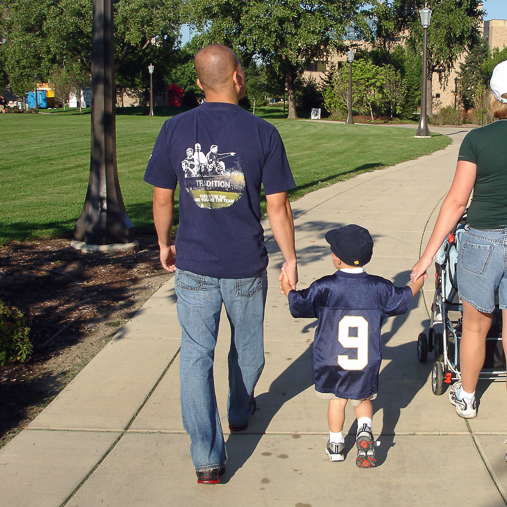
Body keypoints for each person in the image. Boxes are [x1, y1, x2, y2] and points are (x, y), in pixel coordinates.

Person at [144, 44, 298, 485]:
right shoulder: (263, 133)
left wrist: (163, 243)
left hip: (193, 264)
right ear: (237, 78)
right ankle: (239, 410)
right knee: (248, 352)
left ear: (198, 83)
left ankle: (207, 459)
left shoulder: (174, 129)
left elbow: (161, 196)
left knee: (195, 357)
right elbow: (279, 205)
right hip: (246, 265)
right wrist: (289, 259)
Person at [410, 59, 507, 466]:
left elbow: (457, 200)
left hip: (482, 245)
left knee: (475, 327)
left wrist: (427, 257)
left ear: (493, 97)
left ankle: (467, 397)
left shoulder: (477, 140)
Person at [280, 224, 425, 468]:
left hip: (331, 361)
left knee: (337, 401)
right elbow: (404, 297)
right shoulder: (379, 288)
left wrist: (286, 285)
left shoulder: (324, 287)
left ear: (336, 258)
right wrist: (418, 281)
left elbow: (298, 304)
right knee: (363, 399)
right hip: (364, 361)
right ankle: (365, 431)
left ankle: (336, 444)